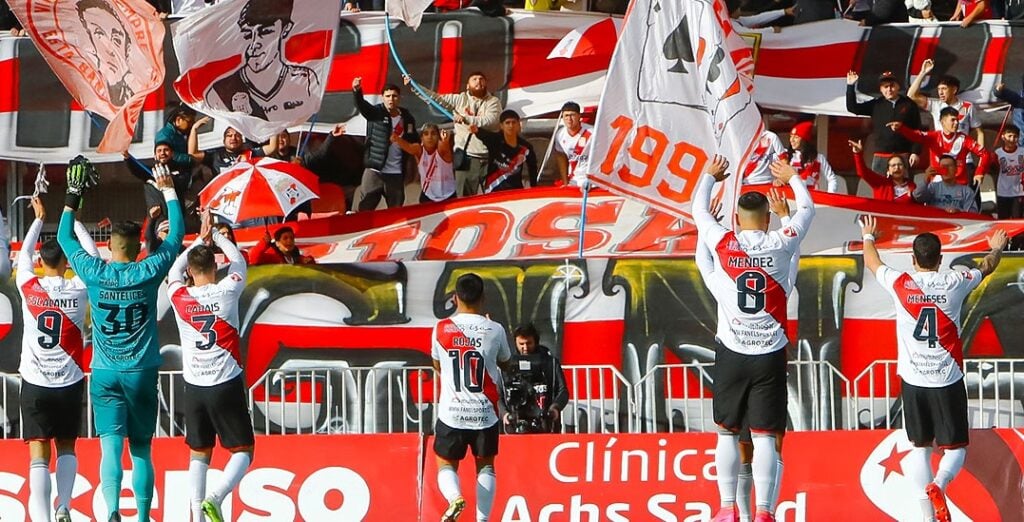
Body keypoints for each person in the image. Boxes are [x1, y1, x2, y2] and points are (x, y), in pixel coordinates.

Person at [57, 157, 184, 522]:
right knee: (142, 447)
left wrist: (72, 195)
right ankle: (142, 518)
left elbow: (65, 236)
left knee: (110, 445)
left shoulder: (95, 270)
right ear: (135, 247)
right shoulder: (148, 269)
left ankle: (112, 510)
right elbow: (175, 236)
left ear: (111, 246)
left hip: (105, 370)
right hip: (142, 370)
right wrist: (169, 191)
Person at [858, 216, 1007, 522]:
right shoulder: (954, 282)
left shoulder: (901, 283)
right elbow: (987, 267)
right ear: (940, 260)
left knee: (920, 449)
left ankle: (927, 517)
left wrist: (869, 236)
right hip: (947, 378)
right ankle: (939, 485)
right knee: (955, 450)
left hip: (913, 381)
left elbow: (873, 264)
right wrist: (997, 248)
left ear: (913, 260)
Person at [693, 155, 814, 522]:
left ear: (736, 220)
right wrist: (793, 179)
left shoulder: (725, 245)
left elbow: (699, 214)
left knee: (726, 433)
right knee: (764, 436)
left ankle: (727, 507)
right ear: (765, 218)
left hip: (732, 353)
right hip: (769, 354)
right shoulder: (781, 243)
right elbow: (807, 210)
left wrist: (709, 177)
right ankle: (764, 511)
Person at [167, 212, 253, 522]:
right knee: (244, 451)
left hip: (194, 387)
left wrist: (196, 241)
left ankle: (196, 516)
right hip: (226, 382)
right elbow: (239, 260)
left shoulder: (177, 295)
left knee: (198, 453)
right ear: (216, 267)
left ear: (191, 270)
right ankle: (215, 498)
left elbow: (174, 270)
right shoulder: (229, 288)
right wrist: (216, 235)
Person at [17, 197, 96, 522]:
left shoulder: (28, 284)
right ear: (66, 261)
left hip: (35, 381)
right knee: (66, 446)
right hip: (69, 380)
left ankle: (43, 518)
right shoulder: (78, 288)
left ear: (40, 260)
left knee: (38, 450)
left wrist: (40, 219)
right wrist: (73, 219)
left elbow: (23, 254)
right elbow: (92, 257)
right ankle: (64, 504)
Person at [432, 273, 513, 522]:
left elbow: (437, 366)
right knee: (486, 466)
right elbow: (507, 364)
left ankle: (455, 498)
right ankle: (482, 519)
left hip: (452, 412)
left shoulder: (441, 328)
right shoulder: (495, 329)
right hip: (485, 412)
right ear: (483, 298)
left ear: (455, 298)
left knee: (445, 463)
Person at [205, 0, 320, 120]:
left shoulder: (306, 79)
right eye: (247, 34)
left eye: (265, 32)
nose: (255, 43)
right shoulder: (219, 93)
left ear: (285, 29)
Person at [407, 72, 503, 196]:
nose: (478, 81)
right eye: (474, 79)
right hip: (466, 158)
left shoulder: (494, 102)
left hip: (490, 159)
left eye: (481, 79)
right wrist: (414, 86)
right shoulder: (459, 99)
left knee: (494, 198)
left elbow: (491, 121)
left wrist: (465, 118)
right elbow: (435, 99)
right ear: (467, 86)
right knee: (464, 200)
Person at [908, 61, 984, 176]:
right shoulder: (935, 105)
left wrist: (981, 160)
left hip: (964, 161)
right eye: (938, 89)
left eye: (944, 89)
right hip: (940, 160)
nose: (940, 92)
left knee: (969, 194)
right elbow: (911, 96)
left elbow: (980, 132)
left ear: (954, 90)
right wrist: (923, 72)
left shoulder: (968, 106)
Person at [352, 79, 418, 210]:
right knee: (365, 209)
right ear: (382, 98)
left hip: (395, 173)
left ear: (400, 98)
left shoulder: (407, 117)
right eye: (387, 96)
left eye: (394, 96)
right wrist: (357, 90)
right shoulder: (376, 113)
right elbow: (362, 105)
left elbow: (413, 142)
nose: (391, 99)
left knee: (396, 212)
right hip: (375, 170)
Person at [889, 108, 990, 187]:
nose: (956, 123)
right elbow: (917, 135)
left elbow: (985, 154)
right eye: (953, 120)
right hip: (937, 185)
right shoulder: (934, 137)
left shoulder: (964, 139)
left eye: (957, 120)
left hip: (958, 185)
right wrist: (902, 128)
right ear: (943, 122)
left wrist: (979, 172)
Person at [847, 70, 923, 173]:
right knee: (880, 187)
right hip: (881, 155)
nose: (889, 89)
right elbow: (853, 108)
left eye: (892, 86)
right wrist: (850, 86)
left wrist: (915, 152)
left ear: (898, 86)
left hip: (903, 155)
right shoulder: (876, 104)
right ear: (881, 89)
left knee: (903, 187)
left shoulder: (909, 104)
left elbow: (917, 129)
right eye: (885, 87)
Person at [498, 323, 569, 434]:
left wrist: (555, 408)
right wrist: (504, 414)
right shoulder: (507, 365)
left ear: (536, 341)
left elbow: (563, 391)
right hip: (514, 425)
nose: (525, 348)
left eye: (529, 343)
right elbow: (498, 395)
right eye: (521, 344)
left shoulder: (551, 363)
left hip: (545, 424)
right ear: (515, 342)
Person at [76, 0, 135, 107]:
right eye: (99, 35)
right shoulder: (85, 87)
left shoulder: (137, 88)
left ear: (127, 49)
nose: (111, 50)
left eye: (117, 40)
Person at [470, 110, 538, 193]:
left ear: (518, 124)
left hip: (516, 191)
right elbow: (481, 132)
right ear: (501, 126)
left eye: (514, 122)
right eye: (507, 123)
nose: (511, 126)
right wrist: (471, 123)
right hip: (493, 190)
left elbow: (533, 168)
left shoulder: (526, 147)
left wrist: (534, 188)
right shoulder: (494, 140)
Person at [124, 141, 193, 219]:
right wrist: (128, 158)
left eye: (166, 150)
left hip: (176, 212)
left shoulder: (182, 170)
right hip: (158, 217)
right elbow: (137, 170)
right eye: (159, 151)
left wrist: (167, 179)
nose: (162, 153)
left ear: (172, 153)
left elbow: (183, 185)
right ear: (155, 156)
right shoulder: (151, 172)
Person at [393, 123, 457, 203]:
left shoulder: (441, 150)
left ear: (438, 137)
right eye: (426, 134)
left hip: (448, 196)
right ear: (421, 138)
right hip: (428, 196)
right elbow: (409, 147)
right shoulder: (419, 150)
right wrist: (396, 138)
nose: (430, 137)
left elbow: (444, 146)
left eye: (433, 134)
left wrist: (445, 141)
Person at [189, 119, 278, 177]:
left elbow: (272, 147)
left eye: (237, 135)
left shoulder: (250, 153)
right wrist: (194, 129)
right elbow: (193, 154)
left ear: (242, 139)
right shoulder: (215, 155)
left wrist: (274, 127)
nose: (233, 138)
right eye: (229, 135)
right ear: (224, 141)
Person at [849, 139, 917, 202]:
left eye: (900, 165)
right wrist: (857, 154)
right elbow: (863, 172)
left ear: (905, 169)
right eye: (893, 165)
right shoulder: (881, 183)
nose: (897, 168)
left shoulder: (912, 186)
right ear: (888, 170)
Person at [783, 121, 839, 193]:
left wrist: (830, 195)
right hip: (791, 198)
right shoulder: (786, 156)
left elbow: (832, 178)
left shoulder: (818, 158)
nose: (792, 140)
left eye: (796, 137)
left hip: (813, 199)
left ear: (804, 140)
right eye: (791, 136)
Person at [912, 155, 979, 213]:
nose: (946, 169)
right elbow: (917, 197)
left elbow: (973, 213)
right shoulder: (933, 187)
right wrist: (926, 179)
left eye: (949, 166)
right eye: (943, 167)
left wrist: (959, 211)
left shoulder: (966, 191)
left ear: (956, 169)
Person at [551, 101, 593, 186]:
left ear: (579, 116)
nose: (569, 119)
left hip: (591, 181)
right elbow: (561, 157)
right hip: (574, 180)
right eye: (566, 116)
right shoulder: (560, 134)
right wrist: (565, 182)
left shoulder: (592, 132)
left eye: (572, 115)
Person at [994, 124, 1024, 219]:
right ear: (1003, 137)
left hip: (1019, 192)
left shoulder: (1022, 151)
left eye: (1015, 136)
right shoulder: (997, 153)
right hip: (1003, 192)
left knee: (1017, 219)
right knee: (1003, 220)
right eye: (1009, 136)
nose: (1012, 139)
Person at [248, 226, 316, 265]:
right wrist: (264, 242)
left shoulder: (297, 257)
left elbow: (311, 264)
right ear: (277, 243)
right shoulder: (272, 256)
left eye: (291, 238)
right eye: (285, 238)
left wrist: (309, 261)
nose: (289, 241)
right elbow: (253, 258)